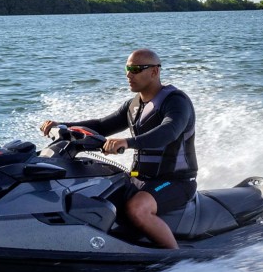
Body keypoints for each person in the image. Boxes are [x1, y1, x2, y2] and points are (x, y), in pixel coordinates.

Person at [40, 49, 197, 249]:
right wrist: (63, 125)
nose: (128, 74)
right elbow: (101, 125)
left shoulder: (176, 101)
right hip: (139, 179)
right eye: (127, 68)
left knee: (137, 209)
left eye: (135, 69)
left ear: (155, 72)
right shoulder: (133, 105)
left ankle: (174, 260)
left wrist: (127, 142)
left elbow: (169, 131)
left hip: (175, 181)